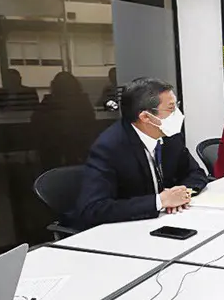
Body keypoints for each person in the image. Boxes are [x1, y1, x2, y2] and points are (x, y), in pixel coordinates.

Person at [70, 77, 207, 229]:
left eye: (177, 106)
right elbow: (93, 209)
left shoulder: (170, 136)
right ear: (146, 117)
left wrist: (182, 193)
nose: (177, 114)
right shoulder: (110, 147)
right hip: (126, 230)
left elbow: (196, 173)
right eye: (171, 108)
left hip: (167, 221)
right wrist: (160, 201)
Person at [31, 71, 96, 170]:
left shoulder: (50, 101)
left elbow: (36, 118)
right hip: (74, 145)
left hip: (57, 145)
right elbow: (90, 120)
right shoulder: (82, 101)